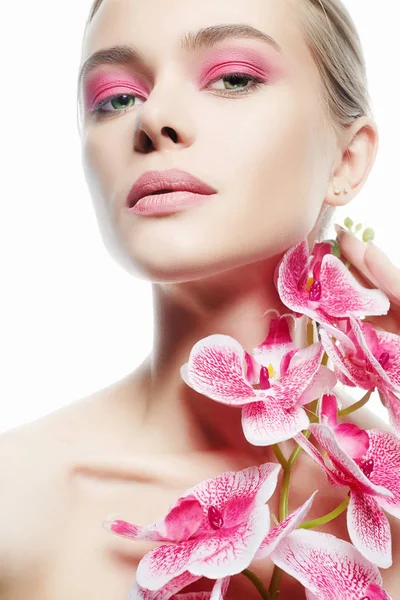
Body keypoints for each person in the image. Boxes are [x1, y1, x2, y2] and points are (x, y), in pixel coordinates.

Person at [1, 0, 399, 598]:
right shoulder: (17, 501)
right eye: (115, 97)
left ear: (347, 159)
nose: (153, 117)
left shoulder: (387, 498)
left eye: (234, 79)